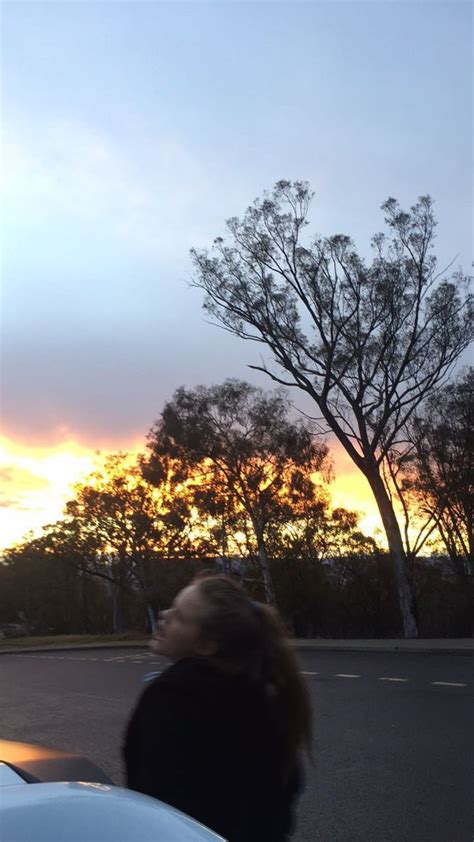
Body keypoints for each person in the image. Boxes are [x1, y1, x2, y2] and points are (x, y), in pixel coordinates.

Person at [123, 573, 312, 841]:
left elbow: (159, 811)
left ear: (207, 644)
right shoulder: (262, 690)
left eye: (179, 617)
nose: (163, 615)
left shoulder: (173, 696)